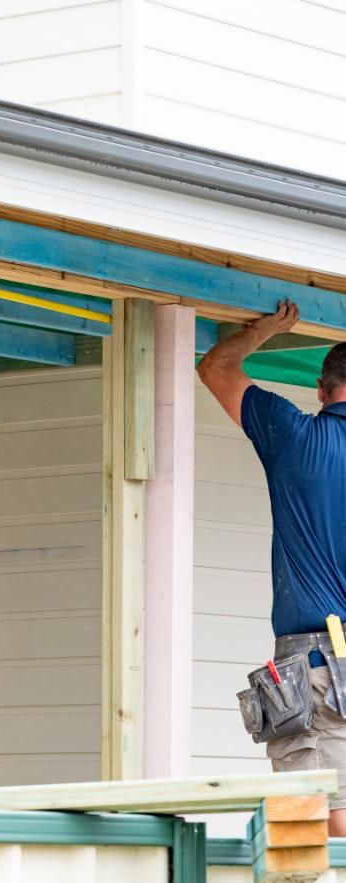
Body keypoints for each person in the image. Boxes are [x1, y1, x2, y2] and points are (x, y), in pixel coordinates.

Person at [198, 300, 346, 834]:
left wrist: (262, 330)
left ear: (322, 389)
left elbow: (215, 369)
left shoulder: (298, 437)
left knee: (320, 818)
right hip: (330, 655)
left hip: (320, 659)